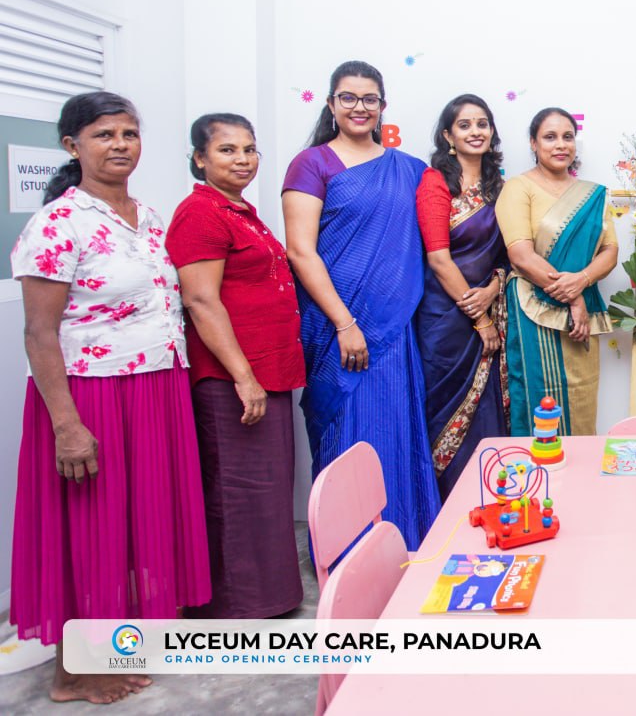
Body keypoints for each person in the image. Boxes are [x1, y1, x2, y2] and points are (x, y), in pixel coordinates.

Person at [10, 92, 209, 704]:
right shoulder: (57, 222)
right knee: (90, 523)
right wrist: (66, 425)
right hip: (91, 395)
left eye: (129, 133)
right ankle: (73, 670)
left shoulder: (147, 217)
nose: (120, 144)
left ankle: (116, 642)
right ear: (73, 146)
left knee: (134, 520)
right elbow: (40, 332)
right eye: (104, 135)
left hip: (156, 386)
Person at [283, 61, 441, 545]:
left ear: (382, 107)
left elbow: (433, 243)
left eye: (369, 98)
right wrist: (345, 322)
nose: (358, 107)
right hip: (338, 329)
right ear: (331, 104)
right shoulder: (312, 164)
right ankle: (345, 548)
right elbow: (300, 250)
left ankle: (401, 540)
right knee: (346, 436)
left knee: (392, 431)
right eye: (348, 97)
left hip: (393, 331)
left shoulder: (410, 170)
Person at [167, 113, 305, 618]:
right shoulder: (200, 214)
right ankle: (233, 605)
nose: (242, 159)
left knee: (266, 489)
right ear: (200, 158)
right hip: (231, 377)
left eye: (249, 150)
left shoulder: (238, 211)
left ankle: (269, 598)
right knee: (238, 490)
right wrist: (242, 377)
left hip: (265, 370)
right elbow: (201, 301)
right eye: (227, 150)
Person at [495, 108, 618, 436]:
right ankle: (542, 480)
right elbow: (520, 255)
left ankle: (580, 480)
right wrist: (574, 299)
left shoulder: (594, 194)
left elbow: (610, 251)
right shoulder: (518, 188)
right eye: (550, 137)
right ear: (534, 143)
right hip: (536, 307)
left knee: (582, 395)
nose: (560, 144)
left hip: (584, 308)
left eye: (567, 137)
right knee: (541, 397)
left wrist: (582, 281)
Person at [416, 95, 510, 497]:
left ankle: (489, 498)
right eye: (466, 125)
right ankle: (448, 506)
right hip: (445, 319)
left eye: (483, 123)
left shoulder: (501, 187)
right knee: (445, 409)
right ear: (448, 136)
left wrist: (493, 288)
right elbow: (438, 258)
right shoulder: (436, 183)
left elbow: (507, 256)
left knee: (488, 408)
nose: (476, 132)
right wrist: (480, 319)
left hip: (486, 305)